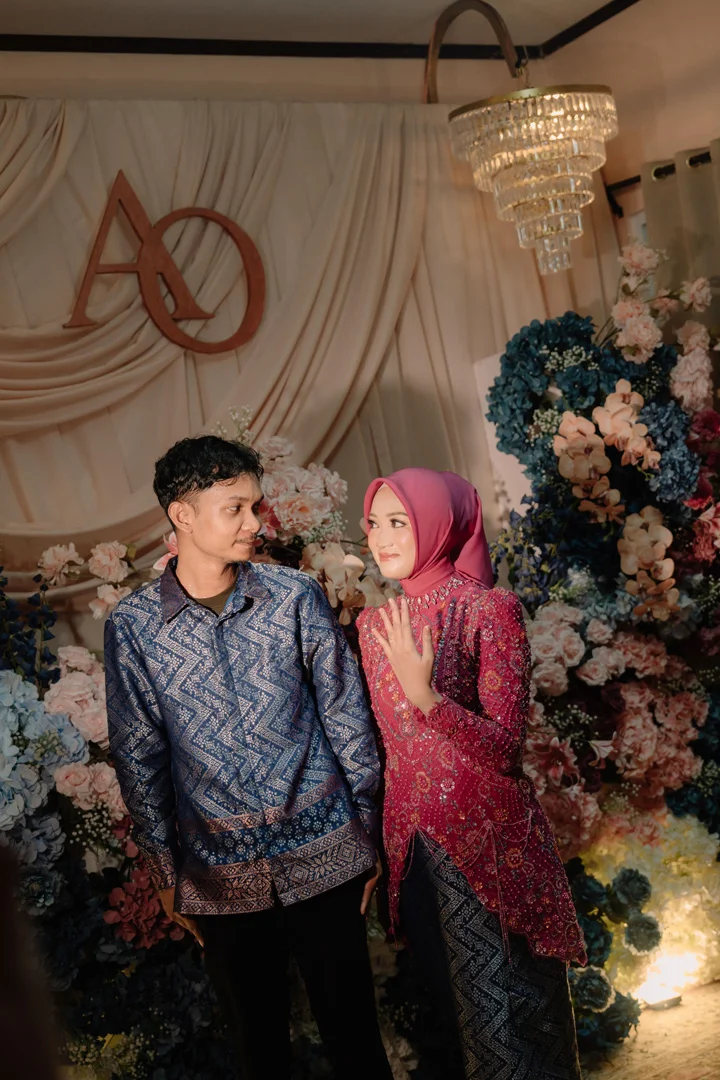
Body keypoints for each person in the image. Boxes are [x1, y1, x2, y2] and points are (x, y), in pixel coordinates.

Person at [104, 435, 392, 1080]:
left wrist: (366, 830)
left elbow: (346, 714)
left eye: (255, 507)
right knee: (259, 1054)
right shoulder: (133, 627)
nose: (254, 523)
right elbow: (139, 755)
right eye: (234, 508)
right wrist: (165, 872)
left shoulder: (294, 596)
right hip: (218, 878)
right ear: (182, 515)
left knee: (357, 1046)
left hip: (328, 855)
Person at [357, 467, 585, 1080]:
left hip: (487, 844)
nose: (382, 538)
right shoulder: (373, 625)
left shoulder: (489, 609)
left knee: (510, 1022)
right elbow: (385, 749)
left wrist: (428, 699)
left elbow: (505, 749)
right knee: (449, 1022)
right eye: (373, 523)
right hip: (412, 846)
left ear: (439, 524)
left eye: (399, 522)